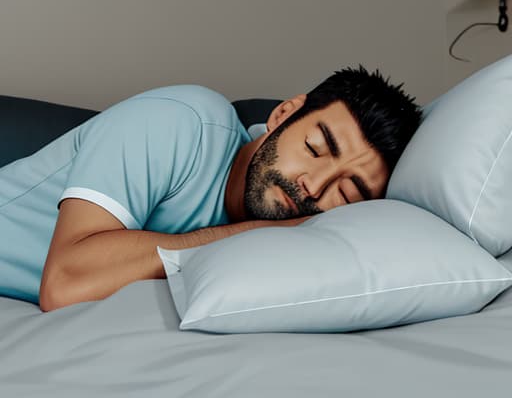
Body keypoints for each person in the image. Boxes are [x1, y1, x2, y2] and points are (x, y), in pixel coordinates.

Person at [0, 65, 421, 312]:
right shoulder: (179, 122)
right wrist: (253, 234)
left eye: (346, 194)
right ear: (283, 114)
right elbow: (65, 285)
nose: (314, 187)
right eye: (315, 148)